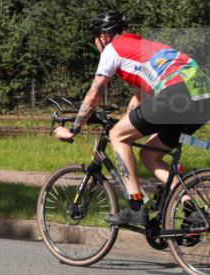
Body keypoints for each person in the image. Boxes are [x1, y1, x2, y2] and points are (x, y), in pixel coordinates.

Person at [53, 11, 210, 225]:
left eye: (95, 38)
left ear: (104, 36)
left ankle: (136, 206)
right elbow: (139, 100)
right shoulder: (143, 47)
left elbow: (94, 95)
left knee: (117, 136)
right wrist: (127, 122)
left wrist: (73, 129)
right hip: (202, 95)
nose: (95, 43)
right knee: (149, 155)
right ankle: (191, 209)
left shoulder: (112, 49)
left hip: (177, 92)